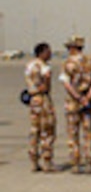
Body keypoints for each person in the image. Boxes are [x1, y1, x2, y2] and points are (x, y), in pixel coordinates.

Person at [59, 35, 91, 174]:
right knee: (89, 133)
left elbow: (66, 83)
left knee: (73, 133)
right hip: (88, 102)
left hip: (73, 102)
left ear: (72, 47)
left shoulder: (67, 63)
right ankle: (90, 163)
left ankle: (75, 164)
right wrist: (88, 97)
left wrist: (78, 97)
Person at [25, 42, 56, 173]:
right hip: (43, 99)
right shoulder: (44, 67)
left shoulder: (29, 65)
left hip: (33, 100)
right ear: (41, 53)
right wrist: (47, 80)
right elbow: (46, 87)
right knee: (47, 130)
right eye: (48, 52)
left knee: (34, 130)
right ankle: (47, 162)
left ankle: (33, 161)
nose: (50, 54)